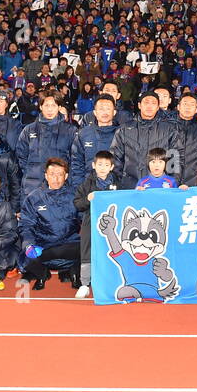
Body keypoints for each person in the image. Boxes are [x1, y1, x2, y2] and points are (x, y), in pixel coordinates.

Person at [19, 157, 81, 290]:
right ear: (46, 176)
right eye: (52, 174)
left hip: (70, 244)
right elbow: (26, 225)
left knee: (91, 248)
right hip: (45, 246)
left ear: (66, 176)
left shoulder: (75, 196)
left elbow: (87, 220)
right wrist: (29, 245)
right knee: (24, 254)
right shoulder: (34, 198)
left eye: (60, 175)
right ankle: (42, 274)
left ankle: (75, 273)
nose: (56, 179)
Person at [74, 151, 120, 299]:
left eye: (106, 165)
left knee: (112, 251)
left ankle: (112, 283)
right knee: (87, 252)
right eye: (100, 164)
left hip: (112, 226)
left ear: (111, 167)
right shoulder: (87, 183)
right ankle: (85, 284)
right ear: (94, 165)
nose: (102, 168)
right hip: (90, 223)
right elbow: (77, 203)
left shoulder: (119, 183)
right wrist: (88, 199)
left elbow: (127, 198)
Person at [16, 92, 79, 200]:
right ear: (40, 107)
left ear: (59, 107)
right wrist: (31, 171)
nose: (50, 109)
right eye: (46, 105)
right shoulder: (29, 130)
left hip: (60, 185)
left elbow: (76, 158)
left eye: (53, 105)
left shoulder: (71, 130)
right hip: (32, 185)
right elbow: (21, 156)